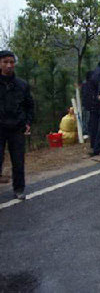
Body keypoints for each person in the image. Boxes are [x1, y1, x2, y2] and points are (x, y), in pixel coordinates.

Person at [0, 50, 34, 200]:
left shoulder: (21, 85)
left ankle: (19, 188)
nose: (9, 65)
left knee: (18, 161)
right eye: (5, 62)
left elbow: (29, 105)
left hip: (17, 128)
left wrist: (27, 122)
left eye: (11, 62)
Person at [81, 71, 93, 140]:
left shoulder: (87, 84)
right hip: (86, 105)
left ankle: (89, 132)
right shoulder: (85, 84)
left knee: (89, 119)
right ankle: (85, 133)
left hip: (89, 105)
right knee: (86, 119)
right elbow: (85, 95)